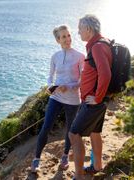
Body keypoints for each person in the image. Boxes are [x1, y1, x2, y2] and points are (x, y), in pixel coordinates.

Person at [31, 25, 85, 173]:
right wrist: (50, 86)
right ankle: (36, 159)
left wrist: (70, 86)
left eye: (68, 35)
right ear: (57, 40)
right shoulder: (55, 56)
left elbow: (83, 80)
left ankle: (65, 156)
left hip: (73, 99)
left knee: (70, 130)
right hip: (56, 97)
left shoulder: (80, 56)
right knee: (45, 127)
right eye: (63, 37)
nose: (68, 39)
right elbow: (50, 76)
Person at [69, 14, 112, 179]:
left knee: (74, 134)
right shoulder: (101, 43)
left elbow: (105, 74)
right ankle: (97, 165)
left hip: (94, 101)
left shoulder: (97, 47)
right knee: (94, 132)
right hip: (98, 99)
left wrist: (97, 98)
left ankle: (79, 175)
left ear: (88, 29)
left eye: (80, 29)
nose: (78, 32)